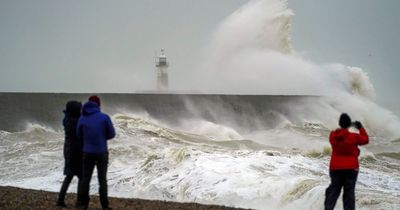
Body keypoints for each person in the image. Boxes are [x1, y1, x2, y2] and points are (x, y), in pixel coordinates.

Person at [76, 95, 115, 210]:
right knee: (102, 179)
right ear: (98, 105)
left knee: (85, 179)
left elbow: (78, 135)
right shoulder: (104, 117)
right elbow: (112, 134)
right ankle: (105, 206)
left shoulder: (82, 118)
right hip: (101, 151)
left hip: (87, 152)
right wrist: (102, 137)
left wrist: (88, 140)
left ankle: (83, 204)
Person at [324, 113, 369, 210]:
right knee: (349, 193)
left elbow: (340, 134)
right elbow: (366, 140)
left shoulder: (333, 136)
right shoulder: (354, 137)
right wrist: (360, 128)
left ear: (339, 123)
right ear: (349, 124)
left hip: (335, 168)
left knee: (334, 191)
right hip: (351, 169)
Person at [57, 100, 83, 207]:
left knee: (69, 176)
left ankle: (60, 200)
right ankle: (79, 202)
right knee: (81, 176)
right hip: (78, 150)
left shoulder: (66, 120)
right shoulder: (79, 121)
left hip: (68, 149)